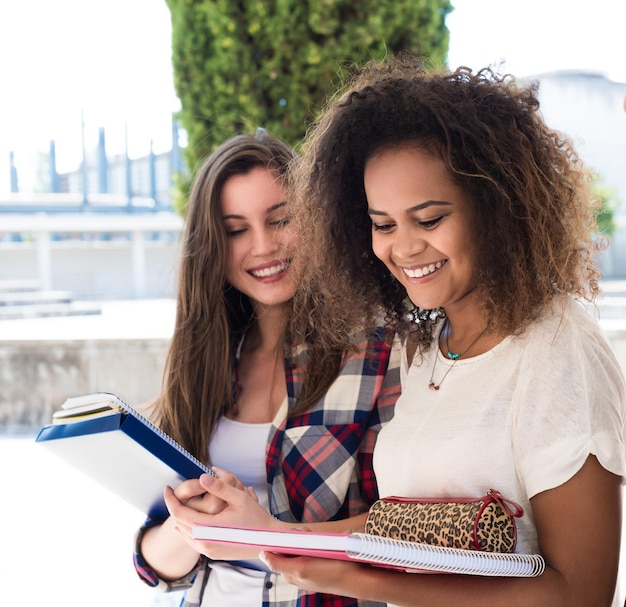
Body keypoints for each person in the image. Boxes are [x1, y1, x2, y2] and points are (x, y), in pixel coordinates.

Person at [177, 58, 626, 606]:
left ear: (493, 205)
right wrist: (270, 536)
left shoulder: (557, 348)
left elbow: (580, 594)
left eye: (430, 219)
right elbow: (403, 534)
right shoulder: (424, 352)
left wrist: (349, 579)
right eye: (383, 225)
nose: (404, 247)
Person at [132, 130, 401, 607]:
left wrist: (268, 535)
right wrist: (193, 523)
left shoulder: (376, 352)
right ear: (213, 246)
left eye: (281, 220)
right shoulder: (207, 360)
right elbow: (155, 565)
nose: (263, 246)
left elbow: (402, 525)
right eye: (236, 229)